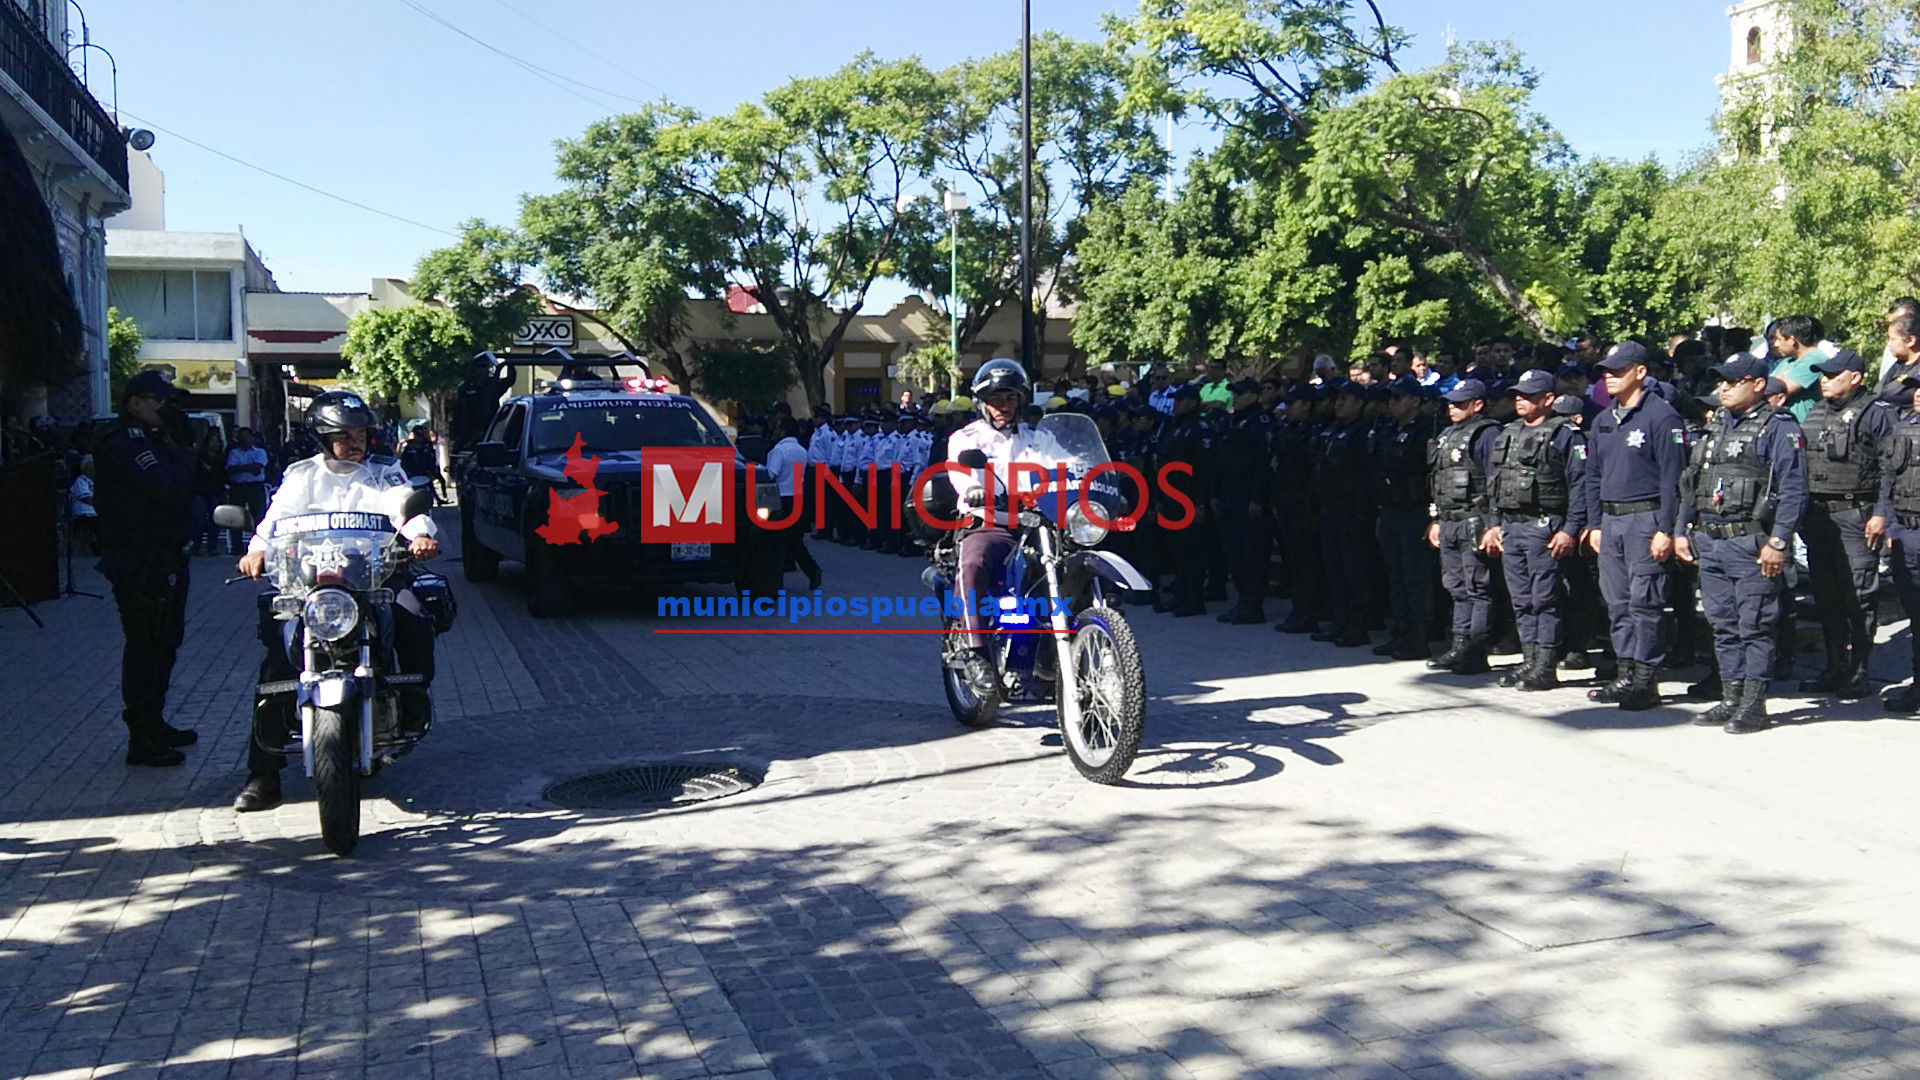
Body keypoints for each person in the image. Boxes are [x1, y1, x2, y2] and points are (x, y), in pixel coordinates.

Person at [231, 391, 441, 812]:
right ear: (323, 438)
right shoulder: (302, 476)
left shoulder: (384, 472)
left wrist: (419, 535)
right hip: (311, 584)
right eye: (344, 436)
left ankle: (412, 701)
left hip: (375, 574)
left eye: (360, 434)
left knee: (415, 616)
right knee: (277, 661)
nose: (355, 443)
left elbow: (406, 507)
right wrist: (256, 550)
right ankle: (263, 776)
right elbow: (274, 520)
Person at [1675, 356, 1807, 733]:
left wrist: (1779, 542)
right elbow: (1693, 482)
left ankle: (1754, 703)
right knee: (1723, 623)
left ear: (1759, 385)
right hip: (1711, 539)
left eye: (1735, 381)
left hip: (1752, 542)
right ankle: (1731, 696)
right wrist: (1682, 529)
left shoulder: (1778, 428)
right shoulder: (1715, 427)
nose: (1725, 388)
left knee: (1755, 625)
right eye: (1722, 382)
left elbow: (1794, 489)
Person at [92, 371, 201, 767]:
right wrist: (184, 450)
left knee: (166, 644)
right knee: (145, 646)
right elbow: (168, 486)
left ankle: (155, 721)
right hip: (139, 560)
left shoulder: (160, 438)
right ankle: (142, 736)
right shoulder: (125, 442)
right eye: (159, 401)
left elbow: (195, 484)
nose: (166, 409)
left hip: (166, 555)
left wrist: (186, 442)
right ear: (135, 402)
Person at [945, 359, 1070, 691]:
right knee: (973, 561)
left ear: (1021, 401)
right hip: (991, 523)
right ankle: (977, 652)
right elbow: (961, 469)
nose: (1003, 406)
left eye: (1010, 398)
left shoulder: (1039, 439)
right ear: (982, 403)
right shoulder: (967, 437)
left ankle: (1071, 646)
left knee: (1075, 563)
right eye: (995, 399)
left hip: (1040, 525)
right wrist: (974, 490)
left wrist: (1089, 484)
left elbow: (1068, 467)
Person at [1584, 342, 1686, 710]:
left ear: (1639, 372)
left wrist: (1666, 528)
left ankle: (1646, 678)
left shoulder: (1661, 416)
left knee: (1646, 602)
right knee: (1617, 602)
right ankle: (1625, 672)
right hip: (1611, 521)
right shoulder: (1603, 420)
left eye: (1617, 370)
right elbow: (1592, 476)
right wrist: (1594, 523)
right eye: (1606, 372)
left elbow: (1674, 478)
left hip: (1646, 518)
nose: (1608, 378)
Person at [1796, 348, 1893, 697]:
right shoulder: (1816, 412)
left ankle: (1859, 669)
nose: (1825, 381)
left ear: (1855, 377)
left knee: (1858, 595)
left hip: (1857, 513)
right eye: (1822, 375)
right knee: (1826, 594)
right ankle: (1835, 665)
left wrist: (1882, 513)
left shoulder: (1875, 413)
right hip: (1819, 516)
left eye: (1833, 375)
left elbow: (1890, 469)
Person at [1484, 369, 1589, 691]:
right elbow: (1494, 484)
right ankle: (1529, 659)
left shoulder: (1565, 434)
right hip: (1512, 527)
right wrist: (1493, 524)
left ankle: (1545, 665)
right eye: (1518, 394)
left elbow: (1581, 485)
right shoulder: (1508, 433)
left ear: (1547, 399)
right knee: (1522, 599)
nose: (1520, 400)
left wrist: (1570, 529)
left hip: (1545, 526)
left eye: (1528, 395)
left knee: (1545, 599)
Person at [1370, 377, 1437, 659]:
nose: (1392, 403)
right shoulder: (1387, 428)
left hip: (1414, 510)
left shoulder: (1428, 430)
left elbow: (1433, 474)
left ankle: (1417, 637)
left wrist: (1434, 515)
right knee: (1395, 576)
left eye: (1398, 398)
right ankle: (1399, 632)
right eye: (1390, 399)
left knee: (1415, 577)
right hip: (1390, 509)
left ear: (1414, 401)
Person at [1311, 382, 1376, 646]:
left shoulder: (1363, 433)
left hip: (1351, 510)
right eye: (1338, 399)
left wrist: (1362, 513)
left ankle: (1356, 626)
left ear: (1359, 403)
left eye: (1346, 399)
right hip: (1330, 507)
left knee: (1353, 571)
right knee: (1335, 570)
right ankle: (1340, 621)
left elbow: (1365, 477)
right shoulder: (1334, 429)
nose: (1339, 404)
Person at [1872, 374, 1920, 710]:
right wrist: (1888, 524)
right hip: (1906, 531)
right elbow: (1888, 478)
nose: (1917, 395)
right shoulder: (1904, 427)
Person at [1214, 378, 1274, 624]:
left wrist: (1258, 498)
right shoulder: (1233, 420)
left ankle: (1253, 605)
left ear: (1253, 395)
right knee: (1234, 552)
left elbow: (1264, 463)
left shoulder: (1261, 422)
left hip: (1248, 494)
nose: (1235, 397)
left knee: (1252, 552)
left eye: (1240, 393)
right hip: (1230, 494)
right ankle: (1242, 601)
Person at [1154, 384, 1216, 616]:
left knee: (1192, 550)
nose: (1175, 404)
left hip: (1189, 497)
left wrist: (1201, 503)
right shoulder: (1173, 427)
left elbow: (1205, 468)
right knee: (1177, 550)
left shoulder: (1199, 428)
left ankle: (1193, 599)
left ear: (1192, 402)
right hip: (1171, 496)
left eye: (1179, 400)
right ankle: (1181, 595)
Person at [765, 417, 823, 589]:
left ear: (783, 431)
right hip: (798, 496)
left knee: (777, 541)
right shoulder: (800, 450)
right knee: (794, 540)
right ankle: (812, 570)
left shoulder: (779, 450)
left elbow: (771, 474)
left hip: (782, 498)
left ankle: (776, 581)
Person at [1768, 315, 1829, 423]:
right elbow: (1768, 385)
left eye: (1778, 339)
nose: (1775, 344)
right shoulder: (1786, 362)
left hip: (1805, 427)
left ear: (1792, 340)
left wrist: (1778, 381)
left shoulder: (1816, 359)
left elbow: (1776, 389)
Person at [225, 427, 270, 551]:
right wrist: (250, 468)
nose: (244, 439)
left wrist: (240, 468)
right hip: (238, 487)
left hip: (255, 487)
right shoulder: (234, 452)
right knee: (235, 517)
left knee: (258, 516)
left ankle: (259, 546)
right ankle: (236, 546)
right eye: (241, 437)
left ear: (252, 438)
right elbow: (230, 469)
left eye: (247, 436)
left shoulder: (260, 451)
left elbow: (259, 465)